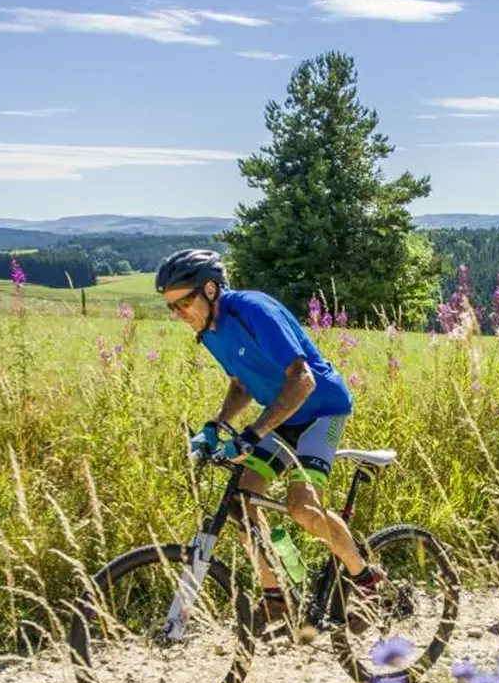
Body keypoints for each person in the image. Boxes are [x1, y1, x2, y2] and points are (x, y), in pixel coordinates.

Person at [156, 248, 381, 633]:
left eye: (184, 302)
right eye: (171, 308)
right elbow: (242, 385)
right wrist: (216, 424)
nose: (179, 314)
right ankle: (278, 596)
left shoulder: (254, 311)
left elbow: (303, 379)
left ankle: (367, 581)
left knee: (302, 509)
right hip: (282, 415)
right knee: (240, 503)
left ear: (210, 289)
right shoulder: (209, 332)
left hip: (320, 409)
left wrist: (253, 434)